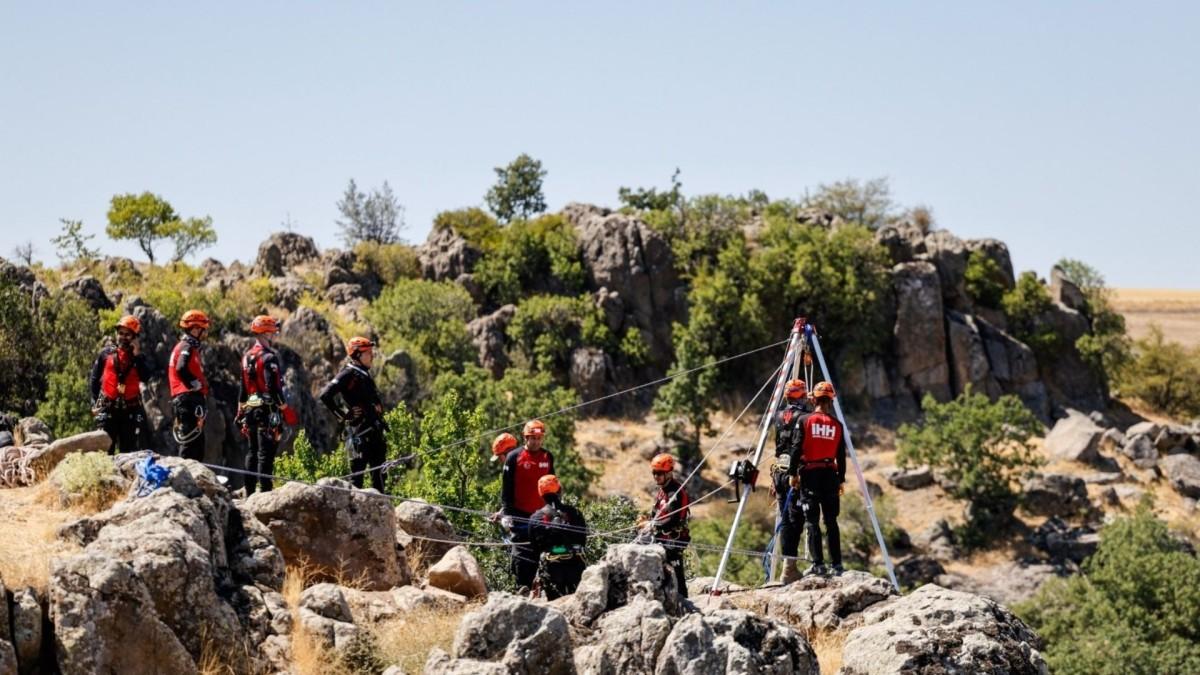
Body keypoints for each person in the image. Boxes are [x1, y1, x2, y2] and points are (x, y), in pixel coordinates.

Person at [786, 381, 847, 576]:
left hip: (810, 475)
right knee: (831, 521)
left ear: (813, 399)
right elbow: (841, 456)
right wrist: (841, 480)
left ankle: (818, 564)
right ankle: (836, 564)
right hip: (830, 475)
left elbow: (795, 449)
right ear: (831, 400)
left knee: (812, 521)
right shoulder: (837, 425)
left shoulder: (805, 421)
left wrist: (792, 474)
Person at [237, 315, 297, 495]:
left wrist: (240, 411)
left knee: (252, 451)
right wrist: (286, 410)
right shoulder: (270, 357)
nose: (276, 336)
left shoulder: (246, 357)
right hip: (267, 411)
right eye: (273, 333)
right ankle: (265, 493)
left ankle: (249, 491)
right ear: (266, 334)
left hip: (250, 408)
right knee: (266, 454)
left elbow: (243, 388)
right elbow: (273, 388)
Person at [319, 337, 387, 490]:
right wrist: (343, 415)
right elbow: (325, 395)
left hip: (374, 431)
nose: (372, 355)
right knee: (357, 478)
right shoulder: (348, 373)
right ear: (358, 355)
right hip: (359, 434)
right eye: (369, 352)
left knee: (380, 476)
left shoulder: (364, 373)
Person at [499, 419, 556, 590]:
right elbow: (506, 488)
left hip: (542, 514)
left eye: (539, 439)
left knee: (546, 552)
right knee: (522, 553)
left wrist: (555, 509)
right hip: (520, 514)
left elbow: (552, 485)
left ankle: (544, 587)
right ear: (525, 438)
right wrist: (507, 514)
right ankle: (522, 587)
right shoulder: (513, 457)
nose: (536, 442)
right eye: (533, 438)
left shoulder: (548, 457)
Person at [88, 315, 151, 455]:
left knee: (127, 452)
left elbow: (146, 377)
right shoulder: (106, 353)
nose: (123, 337)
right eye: (120, 333)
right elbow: (94, 378)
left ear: (135, 337)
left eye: (127, 334)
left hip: (130, 411)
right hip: (108, 408)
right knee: (104, 451)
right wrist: (95, 402)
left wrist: (137, 355)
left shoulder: (139, 358)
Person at [772, 378, 810, 583]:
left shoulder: (778, 415)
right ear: (802, 396)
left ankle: (788, 566)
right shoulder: (804, 417)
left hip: (779, 472)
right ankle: (789, 568)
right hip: (795, 474)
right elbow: (798, 447)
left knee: (786, 517)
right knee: (795, 519)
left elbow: (779, 446)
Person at [528, 474, 588, 599]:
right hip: (575, 566)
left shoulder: (535, 518)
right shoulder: (574, 513)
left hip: (551, 569)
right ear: (560, 490)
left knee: (555, 604)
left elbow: (534, 548)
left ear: (541, 494)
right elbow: (583, 540)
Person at [641, 453, 690, 597]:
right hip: (661, 539)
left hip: (673, 541)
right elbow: (658, 514)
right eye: (654, 473)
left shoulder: (675, 493)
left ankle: (684, 601)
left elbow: (673, 519)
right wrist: (647, 520)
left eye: (659, 473)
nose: (656, 476)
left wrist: (653, 525)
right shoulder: (663, 491)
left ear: (669, 473)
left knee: (676, 573)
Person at [168, 310, 211, 461]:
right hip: (188, 399)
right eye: (203, 330)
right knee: (189, 442)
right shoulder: (186, 347)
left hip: (189, 400)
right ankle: (185, 477)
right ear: (195, 329)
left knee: (197, 443)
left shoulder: (187, 347)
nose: (204, 334)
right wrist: (194, 383)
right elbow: (181, 368)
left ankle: (195, 477)